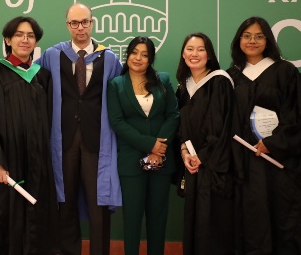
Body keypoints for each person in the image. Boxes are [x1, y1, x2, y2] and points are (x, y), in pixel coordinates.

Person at [36, 3, 122, 255]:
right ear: (67, 25)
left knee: (99, 203)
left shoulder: (109, 58)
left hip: (98, 139)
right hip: (63, 139)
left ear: (92, 23)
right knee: (65, 200)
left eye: (85, 21)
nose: (80, 27)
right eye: (74, 23)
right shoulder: (52, 55)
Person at [0, 16, 58, 255]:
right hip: (7, 160)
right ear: (8, 39)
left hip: (37, 159)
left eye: (30, 36)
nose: (25, 40)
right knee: (5, 214)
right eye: (19, 35)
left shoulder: (42, 75)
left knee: (36, 214)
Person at [227, 16, 301, 255]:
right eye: (247, 36)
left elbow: (295, 114)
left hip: (277, 162)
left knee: (281, 217)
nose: (253, 41)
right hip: (243, 161)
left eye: (259, 36)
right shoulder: (232, 76)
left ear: (268, 40)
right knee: (247, 217)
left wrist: (274, 143)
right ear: (239, 40)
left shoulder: (285, 71)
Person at [107, 36, 179, 255]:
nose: (138, 58)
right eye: (134, 52)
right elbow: (117, 122)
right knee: (132, 217)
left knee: (158, 216)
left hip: (162, 160)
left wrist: (160, 148)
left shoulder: (163, 80)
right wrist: (150, 145)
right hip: (131, 161)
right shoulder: (116, 85)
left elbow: (173, 115)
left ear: (150, 59)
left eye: (145, 54)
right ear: (127, 55)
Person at [176, 33, 234, 255]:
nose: (195, 54)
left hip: (214, 169)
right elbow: (179, 128)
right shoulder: (183, 88)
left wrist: (202, 156)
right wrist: (184, 153)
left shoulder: (219, 82)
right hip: (191, 166)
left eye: (201, 49)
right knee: (194, 220)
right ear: (183, 54)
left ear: (209, 54)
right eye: (190, 49)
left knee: (213, 225)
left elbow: (224, 127)